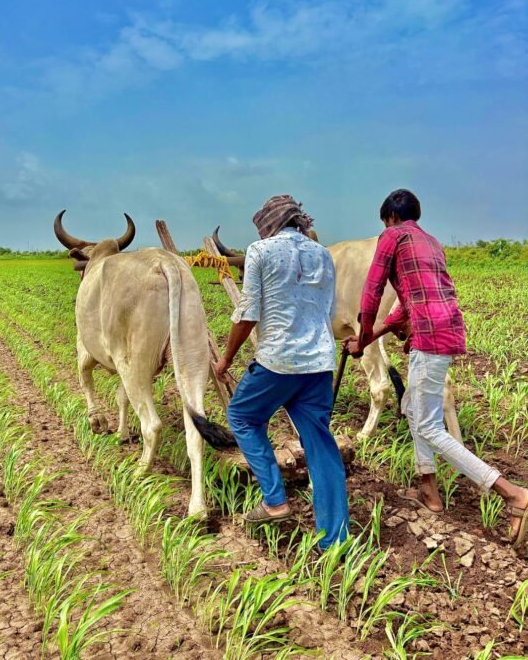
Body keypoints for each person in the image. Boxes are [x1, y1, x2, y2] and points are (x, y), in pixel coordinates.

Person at [345, 189, 528, 548]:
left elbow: (371, 292)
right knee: (413, 408)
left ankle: (513, 494)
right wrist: (366, 340)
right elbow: (404, 306)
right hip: (445, 328)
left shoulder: (392, 237)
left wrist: (363, 331)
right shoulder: (431, 242)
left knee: (428, 424)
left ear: (390, 218)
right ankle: (429, 490)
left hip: (428, 335)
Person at [214, 195, 349, 550]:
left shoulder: (260, 250)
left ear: (268, 224)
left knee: (242, 416)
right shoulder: (323, 254)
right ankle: (334, 541)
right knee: (321, 446)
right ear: (298, 222)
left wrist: (226, 359)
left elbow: (247, 313)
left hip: (277, 362)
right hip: (320, 365)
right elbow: (327, 310)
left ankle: (274, 501)